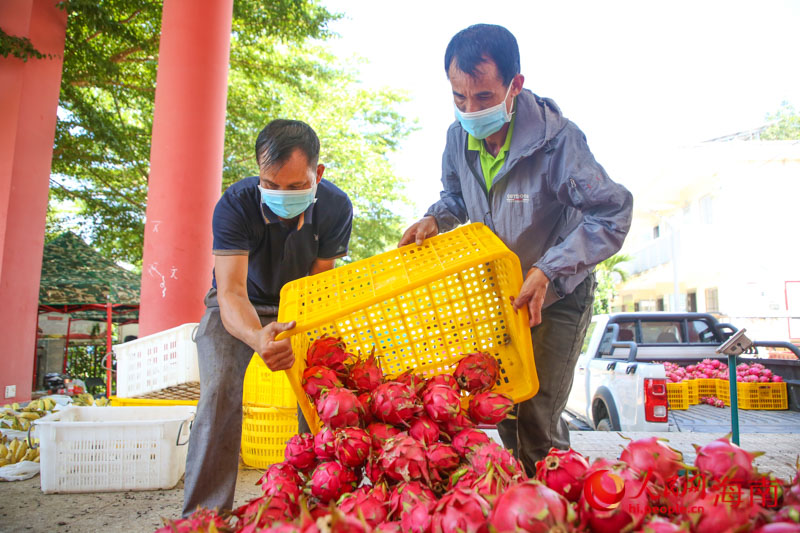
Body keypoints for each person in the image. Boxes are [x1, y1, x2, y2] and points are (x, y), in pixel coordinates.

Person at [400, 24, 633, 475]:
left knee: (538, 417)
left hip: (558, 293)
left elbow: (612, 212)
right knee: (504, 410)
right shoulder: (457, 138)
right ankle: (527, 498)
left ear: (514, 86)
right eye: (459, 97)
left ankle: (557, 500)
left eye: (484, 97)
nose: (470, 110)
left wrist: (549, 270)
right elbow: (455, 199)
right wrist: (435, 217)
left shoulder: (558, 142)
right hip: (501, 296)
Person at [183, 119, 353, 515]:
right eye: (271, 185)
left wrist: (300, 328)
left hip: (301, 302)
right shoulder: (235, 204)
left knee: (319, 391)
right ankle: (204, 515)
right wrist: (258, 337)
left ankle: (314, 502)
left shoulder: (336, 206)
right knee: (219, 386)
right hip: (241, 304)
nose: (281, 195)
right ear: (259, 172)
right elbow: (230, 291)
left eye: (295, 187)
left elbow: (319, 279)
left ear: (318, 174)